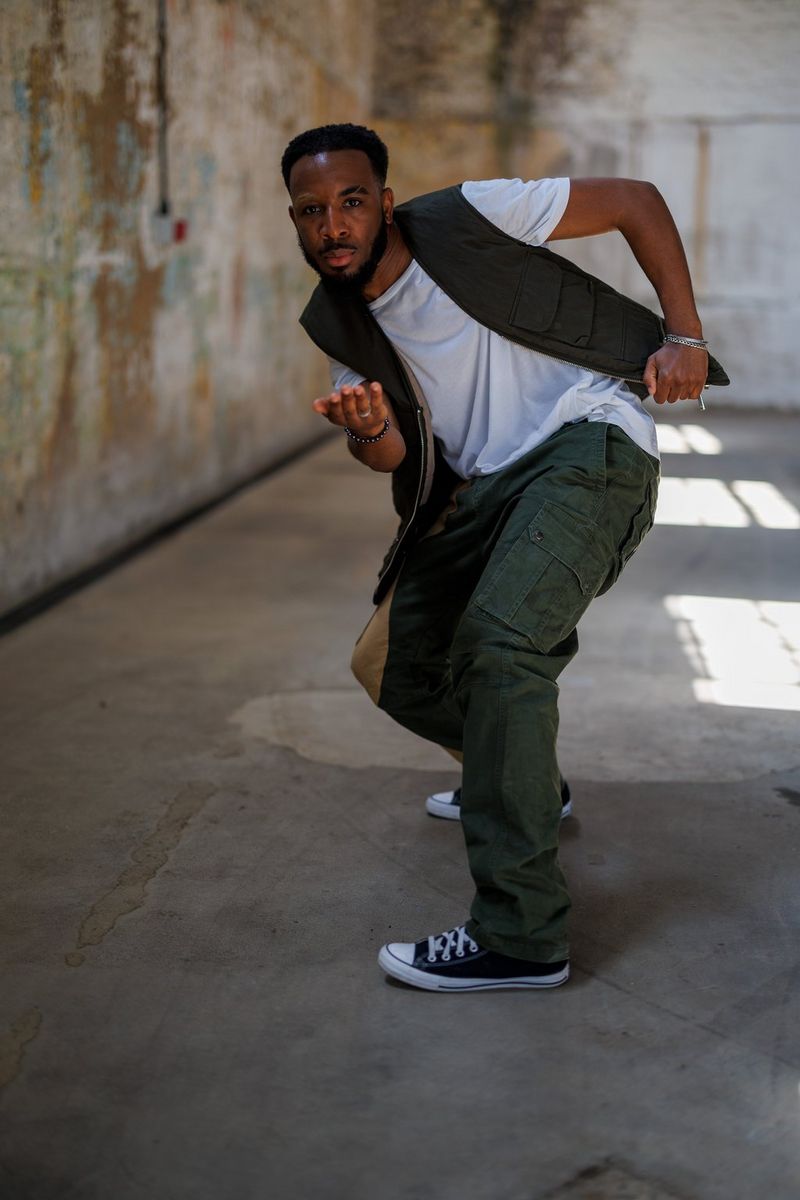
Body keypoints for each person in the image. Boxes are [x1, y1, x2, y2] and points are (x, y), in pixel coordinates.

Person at [281, 122, 727, 993]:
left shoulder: (472, 215)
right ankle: (524, 780)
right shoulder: (336, 323)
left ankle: (521, 936)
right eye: (312, 210)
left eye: (352, 201)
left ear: (384, 199)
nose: (334, 225)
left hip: (585, 443)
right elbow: (391, 457)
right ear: (294, 220)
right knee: (393, 668)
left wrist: (687, 336)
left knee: (499, 647)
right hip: (479, 491)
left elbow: (636, 202)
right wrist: (370, 432)